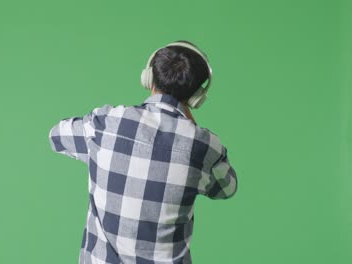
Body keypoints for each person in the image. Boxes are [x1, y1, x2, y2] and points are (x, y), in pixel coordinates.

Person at [48, 40, 238, 264]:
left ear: (148, 77)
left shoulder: (106, 123)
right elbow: (227, 188)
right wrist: (192, 126)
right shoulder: (203, 146)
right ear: (197, 97)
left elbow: (56, 136)